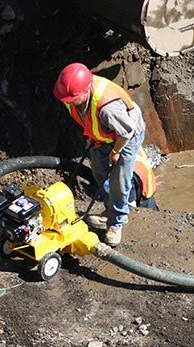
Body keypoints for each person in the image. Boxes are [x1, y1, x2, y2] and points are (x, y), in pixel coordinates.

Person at [53, 62, 146, 247]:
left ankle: (116, 222)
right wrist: (93, 136)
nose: (67, 102)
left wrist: (116, 151)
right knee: (98, 170)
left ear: (86, 91)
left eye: (72, 99)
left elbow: (125, 132)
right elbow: (87, 117)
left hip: (126, 135)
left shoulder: (108, 106)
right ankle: (110, 210)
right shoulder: (70, 97)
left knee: (120, 179)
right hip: (106, 133)